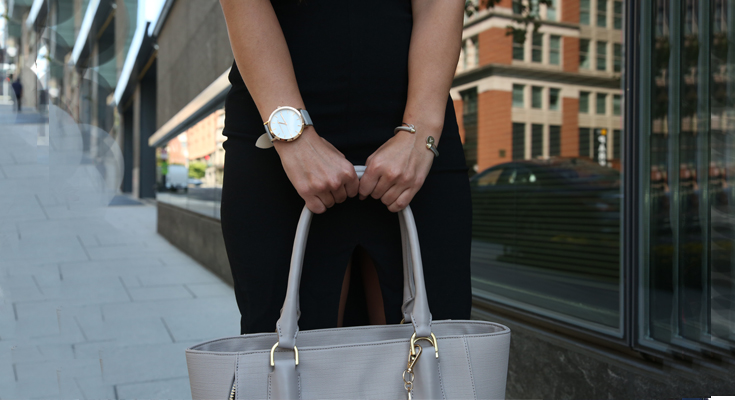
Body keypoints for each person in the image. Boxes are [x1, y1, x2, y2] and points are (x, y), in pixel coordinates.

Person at [219, 0, 472, 335]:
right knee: (280, 347)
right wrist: (293, 135)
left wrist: (420, 132)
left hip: (418, 117)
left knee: (438, 341)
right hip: (275, 112)